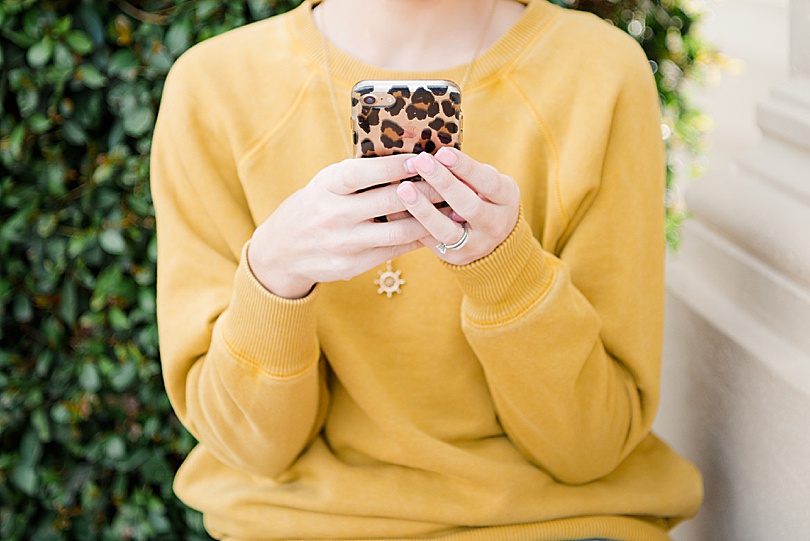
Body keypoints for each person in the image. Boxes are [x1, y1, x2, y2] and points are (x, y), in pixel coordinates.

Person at [150, 0, 703, 539]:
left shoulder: (599, 72)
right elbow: (252, 449)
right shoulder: (214, 88)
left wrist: (506, 271)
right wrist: (274, 274)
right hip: (304, 524)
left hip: (554, 521)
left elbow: (590, 446)